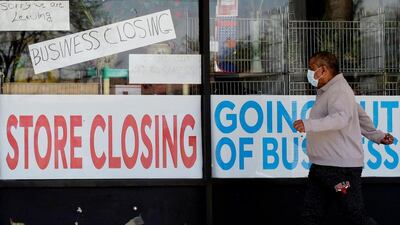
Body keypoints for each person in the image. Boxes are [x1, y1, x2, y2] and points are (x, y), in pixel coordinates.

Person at [293, 51, 394, 225]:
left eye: (312, 68)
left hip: (340, 170)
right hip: (321, 168)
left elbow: (341, 118)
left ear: (323, 70)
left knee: (355, 214)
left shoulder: (339, 90)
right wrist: (377, 135)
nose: (309, 72)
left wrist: (308, 124)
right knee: (311, 215)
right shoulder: (328, 90)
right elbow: (358, 116)